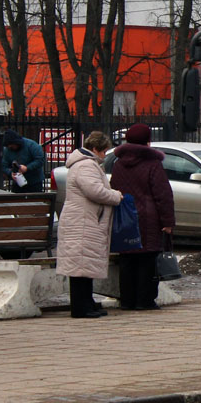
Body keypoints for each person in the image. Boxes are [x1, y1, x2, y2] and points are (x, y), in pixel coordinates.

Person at [57, 131, 123, 318]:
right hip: (83, 221)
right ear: (95, 149)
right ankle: (81, 307)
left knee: (84, 264)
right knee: (80, 266)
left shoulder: (85, 164)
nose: (104, 155)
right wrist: (116, 196)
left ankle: (87, 303)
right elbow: (95, 191)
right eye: (103, 152)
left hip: (83, 219)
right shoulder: (86, 165)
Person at [109, 123, 174, 310]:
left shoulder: (118, 163)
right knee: (147, 259)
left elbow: (114, 188)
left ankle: (127, 300)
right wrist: (168, 222)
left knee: (127, 258)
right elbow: (163, 195)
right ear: (148, 141)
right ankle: (144, 300)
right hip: (149, 218)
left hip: (125, 216)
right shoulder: (153, 164)